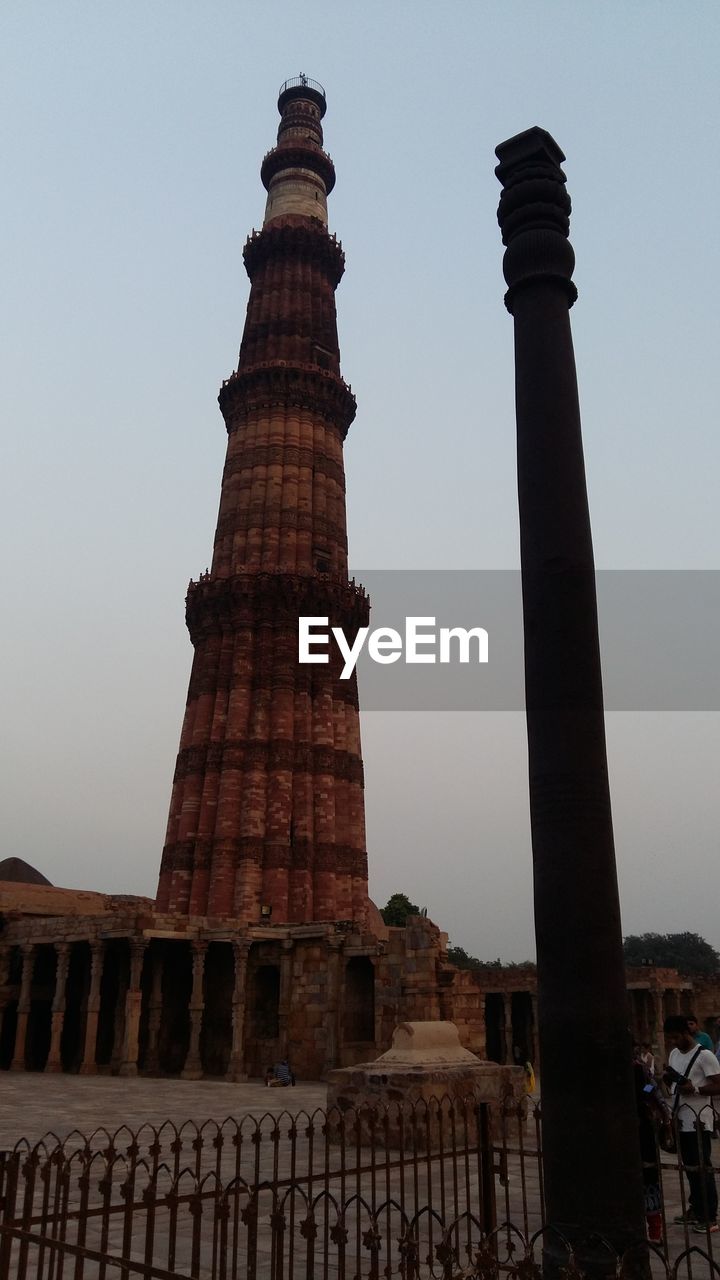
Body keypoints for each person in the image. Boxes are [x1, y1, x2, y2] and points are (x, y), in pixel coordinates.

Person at [663, 1014, 720, 1233]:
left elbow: (718, 1085)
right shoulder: (675, 1055)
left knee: (702, 1167)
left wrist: (695, 1089)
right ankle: (696, 1208)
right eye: (670, 1038)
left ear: (687, 1033)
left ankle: (710, 1216)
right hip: (681, 1117)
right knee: (690, 1168)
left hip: (699, 1119)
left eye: (677, 1037)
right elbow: (673, 1082)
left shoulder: (704, 1056)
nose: (674, 1042)